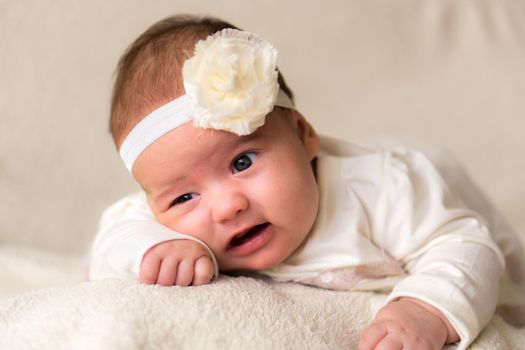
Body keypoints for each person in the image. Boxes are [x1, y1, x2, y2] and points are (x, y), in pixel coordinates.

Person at [89, 15, 525, 350]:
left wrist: (426, 308)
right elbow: (114, 237)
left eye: (242, 161)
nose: (226, 207)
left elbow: (466, 246)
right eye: (185, 196)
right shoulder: (164, 223)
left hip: (441, 188)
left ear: (302, 135)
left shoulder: (382, 188)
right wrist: (155, 250)